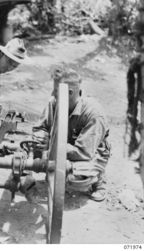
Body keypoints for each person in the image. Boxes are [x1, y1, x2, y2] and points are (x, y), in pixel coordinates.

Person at [32, 67, 111, 202]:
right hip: (63, 149)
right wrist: (41, 137)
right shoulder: (54, 103)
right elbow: (41, 127)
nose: (52, 94)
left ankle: (98, 180)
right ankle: (57, 171)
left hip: (89, 154)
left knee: (74, 177)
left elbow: (84, 153)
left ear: (69, 92)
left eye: (56, 91)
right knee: (54, 169)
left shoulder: (94, 113)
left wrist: (52, 145)